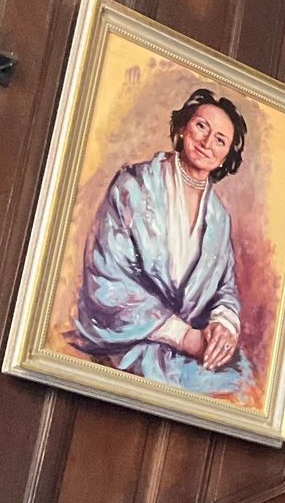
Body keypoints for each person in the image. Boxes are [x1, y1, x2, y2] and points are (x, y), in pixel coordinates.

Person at [69, 87, 254, 398]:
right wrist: (183, 337)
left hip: (191, 347)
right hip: (125, 337)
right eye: (201, 126)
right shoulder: (133, 186)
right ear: (182, 128)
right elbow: (107, 278)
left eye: (220, 140)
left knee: (244, 384)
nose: (207, 142)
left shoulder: (219, 217)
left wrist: (224, 326)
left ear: (226, 157)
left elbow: (225, 288)